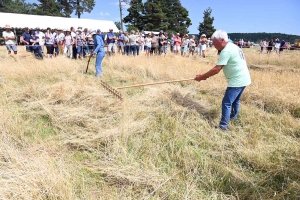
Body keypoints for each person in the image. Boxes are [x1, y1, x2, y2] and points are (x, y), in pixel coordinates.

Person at [194, 30, 251, 131]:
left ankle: (223, 126)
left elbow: (216, 69)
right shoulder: (233, 46)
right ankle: (234, 117)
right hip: (244, 78)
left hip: (237, 80)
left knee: (226, 102)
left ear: (223, 40)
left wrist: (202, 77)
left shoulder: (226, 51)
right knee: (236, 100)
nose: (213, 44)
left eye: (215, 42)